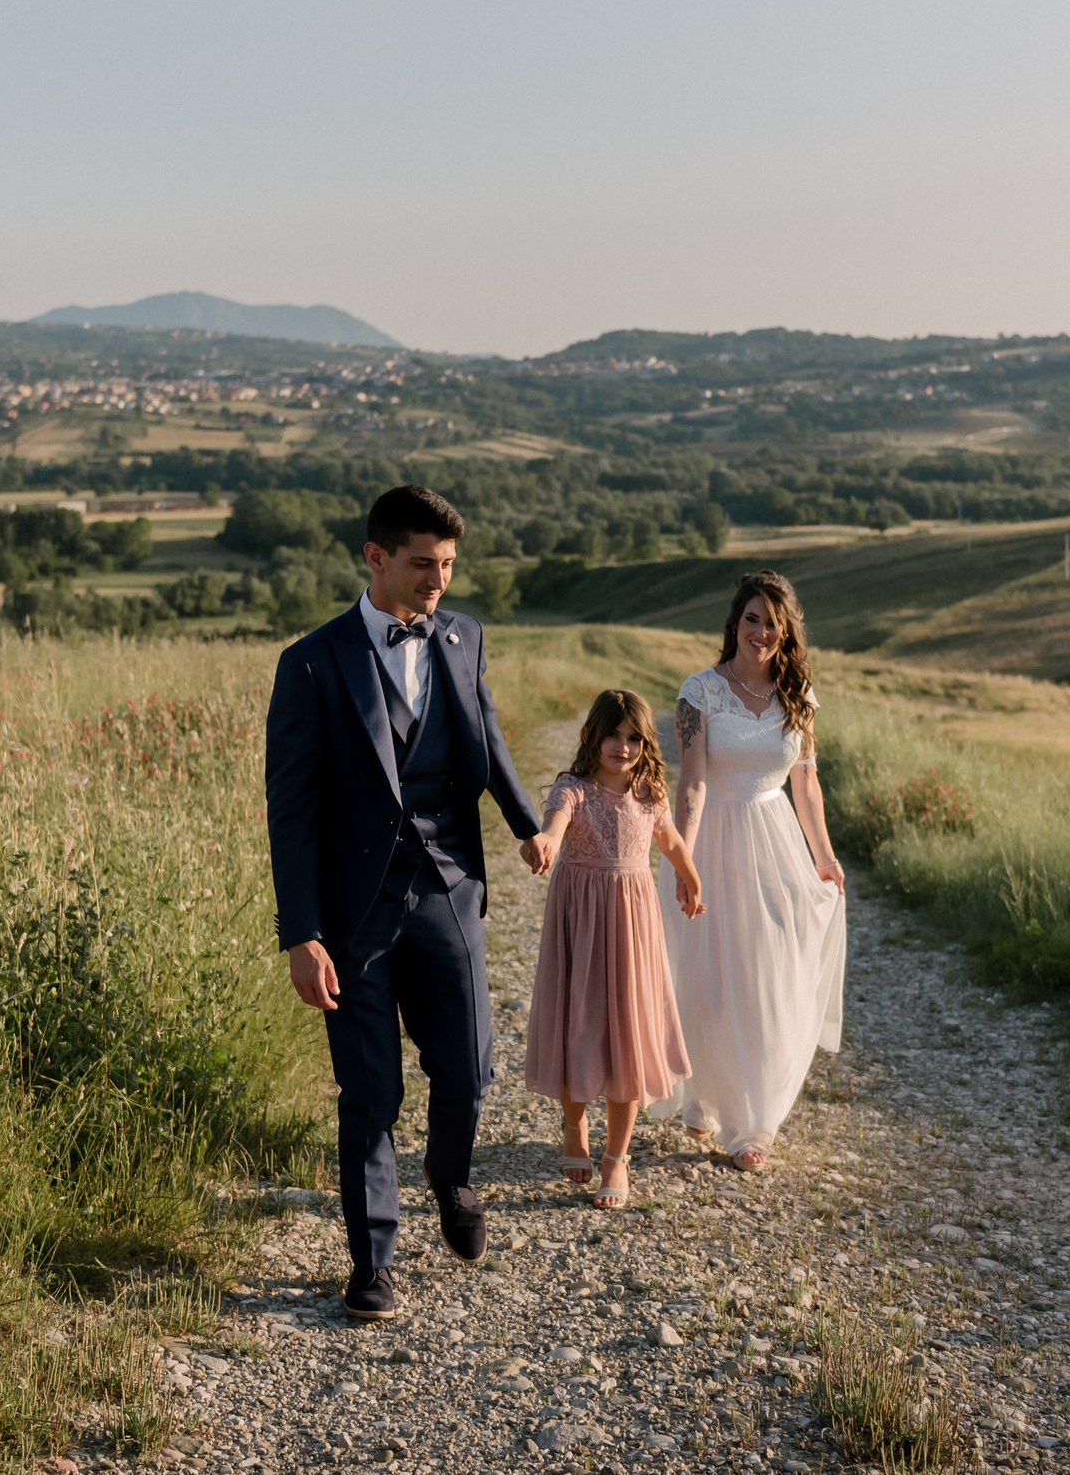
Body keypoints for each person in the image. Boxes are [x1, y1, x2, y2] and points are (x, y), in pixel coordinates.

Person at [264, 484, 553, 1323]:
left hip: (449, 887)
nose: (438, 580)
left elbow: (487, 735)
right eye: (424, 563)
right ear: (376, 557)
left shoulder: (464, 638)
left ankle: (450, 1173)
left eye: (450, 565)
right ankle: (372, 1262)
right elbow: (291, 811)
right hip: (355, 911)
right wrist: (301, 934)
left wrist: (527, 824)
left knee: (468, 1063)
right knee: (369, 1091)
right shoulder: (311, 663)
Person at [659, 570, 847, 1172]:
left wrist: (824, 854)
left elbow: (807, 781)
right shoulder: (700, 691)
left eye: (773, 622)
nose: (761, 631)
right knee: (707, 971)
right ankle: (701, 1092)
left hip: (775, 839)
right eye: (751, 618)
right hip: (713, 836)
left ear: (787, 632)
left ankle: (750, 1126)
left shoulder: (799, 693)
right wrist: (683, 859)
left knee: (768, 971)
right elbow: (690, 782)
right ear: (734, 624)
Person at [522, 689, 704, 1210]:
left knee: (629, 1031)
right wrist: (548, 844)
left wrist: (691, 878)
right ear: (589, 737)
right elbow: (553, 828)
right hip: (580, 922)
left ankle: (617, 1158)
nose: (620, 746)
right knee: (579, 1023)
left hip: (631, 926)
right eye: (611, 735)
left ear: (645, 745)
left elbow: (669, 844)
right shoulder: (572, 791)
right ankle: (574, 1122)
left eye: (632, 738)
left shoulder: (649, 795)